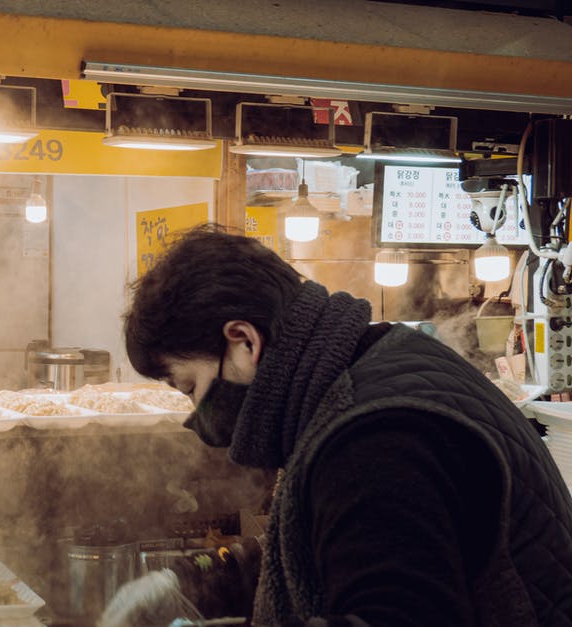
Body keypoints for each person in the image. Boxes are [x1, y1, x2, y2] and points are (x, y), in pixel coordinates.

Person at [122, 225, 572, 626]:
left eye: (190, 387)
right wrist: (194, 583)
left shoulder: (376, 436)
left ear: (244, 341)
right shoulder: (379, 363)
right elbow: (341, 545)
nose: (196, 413)